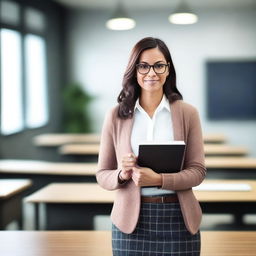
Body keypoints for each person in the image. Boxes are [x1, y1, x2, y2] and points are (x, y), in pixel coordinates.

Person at [96, 37, 206, 256]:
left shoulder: (188, 113)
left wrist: (159, 180)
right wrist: (122, 174)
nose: (152, 73)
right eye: (144, 66)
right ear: (134, 70)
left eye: (159, 65)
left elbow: (198, 172)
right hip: (130, 222)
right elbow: (102, 175)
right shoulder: (115, 115)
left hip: (179, 218)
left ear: (168, 70)